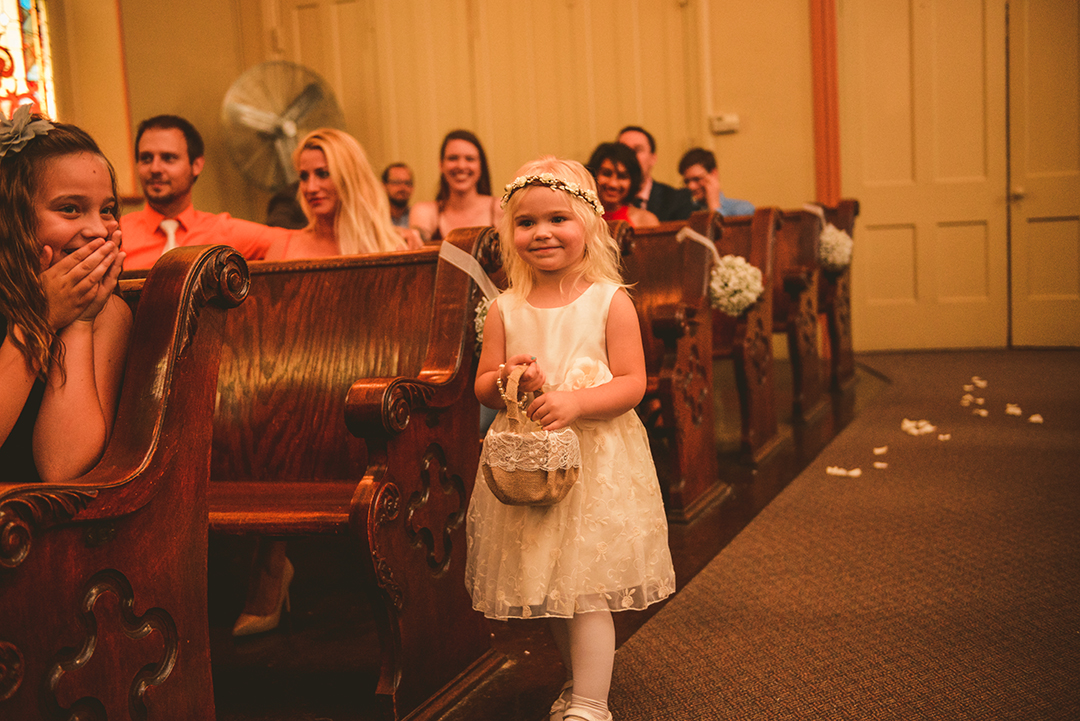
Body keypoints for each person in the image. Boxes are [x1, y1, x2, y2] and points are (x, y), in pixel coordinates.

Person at [467, 157, 675, 721]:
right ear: (510, 234)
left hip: (597, 465)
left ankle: (589, 704)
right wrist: (514, 378)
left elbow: (634, 382)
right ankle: (579, 682)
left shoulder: (610, 300)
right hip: (532, 466)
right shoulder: (504, 308)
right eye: (527, 223)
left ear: (589, 223)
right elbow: (484, 385)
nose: (542, 233)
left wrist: (578, 400)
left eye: (558, 218)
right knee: (552, 584)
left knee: (585, 590)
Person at [0, 106, 132, 484]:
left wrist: (79, 322)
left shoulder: (109, 315)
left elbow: (62, 469)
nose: (98, 230)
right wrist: (36, 321)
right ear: (13, 217)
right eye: (70, 209)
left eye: (107, 210)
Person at [120, 115, 294, 269]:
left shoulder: (224, 232)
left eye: (168, 158)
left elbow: (296, 241)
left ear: (196, 165)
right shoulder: (117, 236)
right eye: (146, 158)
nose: (155, 168)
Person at [264, 128, 420, 260]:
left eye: (323, 174)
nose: (310, 188)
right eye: (304, 176)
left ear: (349, 178)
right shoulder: (283, 249)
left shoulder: (391, 246)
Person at [410, 129, 503, 242]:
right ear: (441, 165)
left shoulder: (500, 208)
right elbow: (416, 237)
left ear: (481, 166)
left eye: (470, 159)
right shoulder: (426, 211)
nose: (461, 166)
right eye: (453, 158)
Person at [616, 125, 695, 222]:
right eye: (624, 150)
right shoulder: (605, 200)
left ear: (653, 158)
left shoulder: (675, 200)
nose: (630, 156)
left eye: (638, 150)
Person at [586, 142, 659, 228]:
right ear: (594, 174)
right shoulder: (581, 217)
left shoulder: (645, 221)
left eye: (622, 177)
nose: (613, 184)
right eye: (606, 174)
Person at [678, 147, 755, 217]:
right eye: (686, 181)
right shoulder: (686, 212)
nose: (691, 186)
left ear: (713, 174)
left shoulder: (742, 210)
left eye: (697, 179)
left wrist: (714, 205)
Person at [382, 162, 414, 228]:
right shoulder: (375, 218)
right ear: (384, 186)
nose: (402, 188)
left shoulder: (418, 217)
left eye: (407, 183)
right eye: (396, 182)